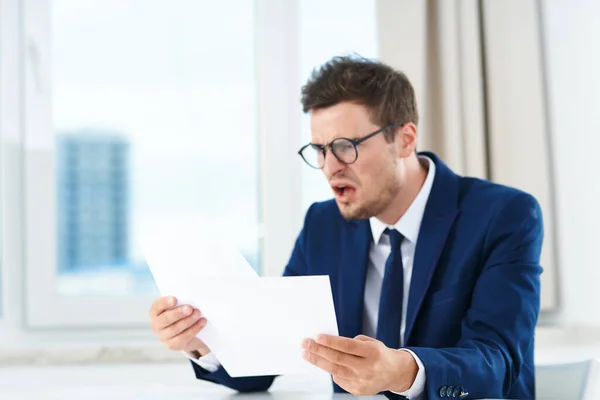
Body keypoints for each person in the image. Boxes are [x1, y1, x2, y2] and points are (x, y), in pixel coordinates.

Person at [149, 55, 543, 399]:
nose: (330, 166)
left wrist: (403, 371)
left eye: (345, 146)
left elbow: (499, 361)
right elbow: (270, 358)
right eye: (320, 150)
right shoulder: (322, 224)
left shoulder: (504, 215)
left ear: (404, 140)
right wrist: (203, 341)